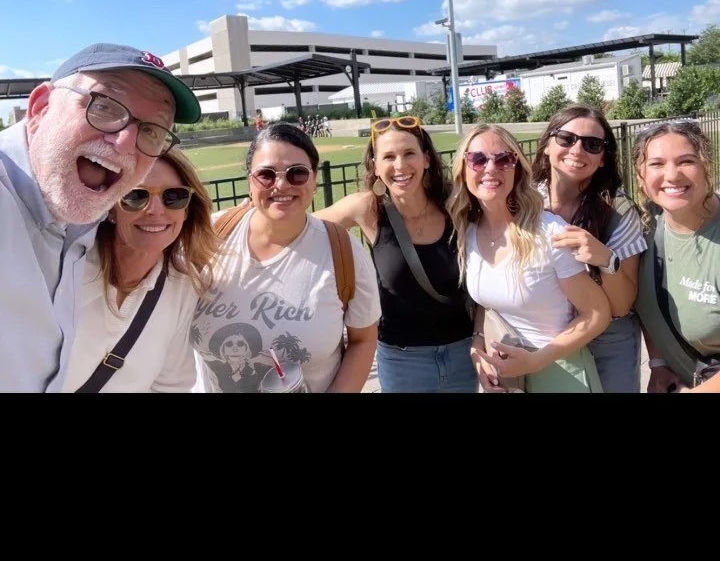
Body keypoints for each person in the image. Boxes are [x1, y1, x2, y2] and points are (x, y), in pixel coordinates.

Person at [0, 43, 201, 392]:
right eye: (105, 106)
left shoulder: (80, 222)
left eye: (151, 131)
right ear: (41, 108)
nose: (125, 142)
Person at [191, 122, 380, 392]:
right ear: (250, 180)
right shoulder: (208, 236)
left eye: (297, 174)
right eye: (266, 175)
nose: (280, 184)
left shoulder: (344, 252)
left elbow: (363, 339)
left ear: (314, 180)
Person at [317, 116, 478, 392]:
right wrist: (249, 213)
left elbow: (507, 214)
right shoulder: (368, 209)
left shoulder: (456, 203)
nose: (400, 165)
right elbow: (299, 226)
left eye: (409, 153)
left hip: (463, 354)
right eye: (389, 156)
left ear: (426, 159)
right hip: (402, 361)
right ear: (375, 166)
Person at [448, 124, 611, 392]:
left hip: (560, 372)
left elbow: (597, 313)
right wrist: (478, 347)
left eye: (504, 159)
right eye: (478, 159)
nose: (491, 168)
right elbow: (489, 304)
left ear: (517, 169)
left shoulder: (549, 233)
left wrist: (536, 361)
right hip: (509, 377)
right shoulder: (468, 232)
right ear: (463, 170)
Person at [62, 148, 217, 393]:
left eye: (173, 196)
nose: (155, 210)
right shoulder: (67, 270)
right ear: (111, 208)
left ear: (186, 210)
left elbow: (171, 385)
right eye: (135, 196)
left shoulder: (182, 284)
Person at [531, 107, 646, 392]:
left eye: (592, 144)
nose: (577, 150)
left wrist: (605, 259)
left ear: (603, 158)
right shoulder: (525, 201)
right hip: (544, 332)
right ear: (547, 145)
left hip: (606, 341)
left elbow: (621, 305)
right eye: (566, 138)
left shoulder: (618, 210)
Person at [633, 120, 720, 393]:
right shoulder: (645, 226)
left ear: (706, 166)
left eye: (686, 161)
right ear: (640, 176)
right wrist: (658, 363)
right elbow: (650, 305)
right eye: (656, 164)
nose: (672, 175)